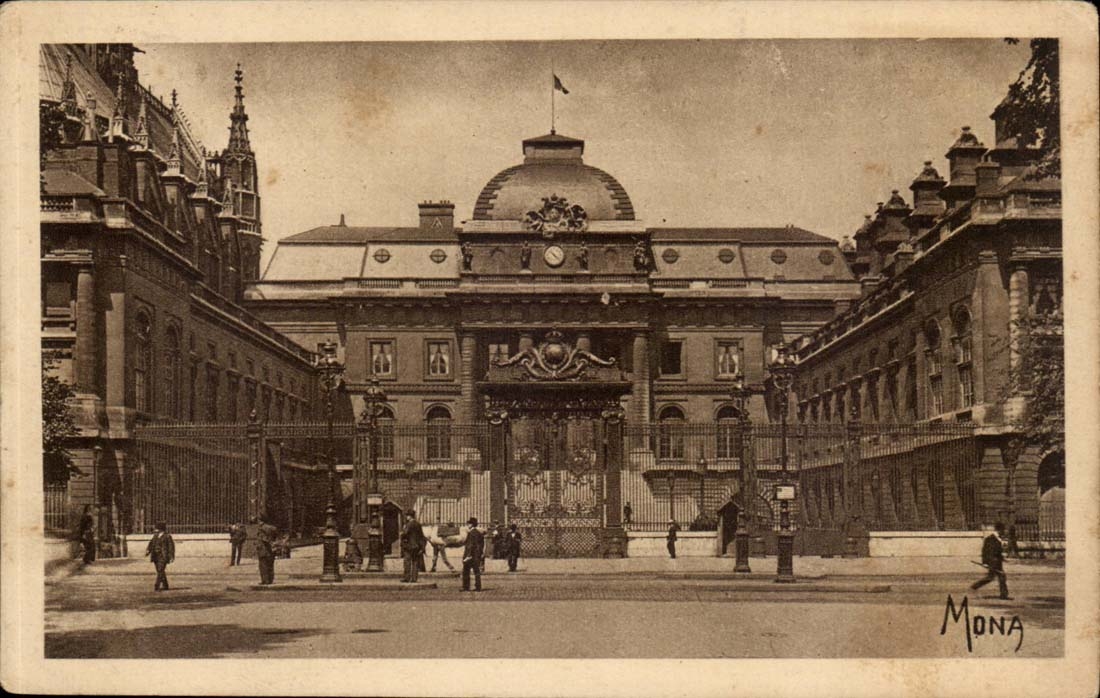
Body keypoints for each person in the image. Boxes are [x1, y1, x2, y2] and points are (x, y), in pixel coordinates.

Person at [971, 522, 1011, 599]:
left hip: (997, 562)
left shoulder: (998, 538)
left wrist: (1003, 558)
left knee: (992, 577)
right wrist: (985, 562)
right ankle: (1003, 595)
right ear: (999, 530)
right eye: (1003, 530)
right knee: (1001, 577)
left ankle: (975, 586)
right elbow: (985, 551)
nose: (1004, 532)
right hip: (993, 562)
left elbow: (997, 552)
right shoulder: (990, 539)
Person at [144, 521, 175, 592]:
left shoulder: (167, 536)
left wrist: (171, 556)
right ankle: (165, 585)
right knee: (159, 570)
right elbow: (151, 544)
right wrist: (148, 551)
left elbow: (171, 547)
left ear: (161, 529)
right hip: (155, 555)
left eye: (157, 528)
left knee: (160, 570)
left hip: (163, 556)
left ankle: (156, 586)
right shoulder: (155, 536)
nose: (155, 530)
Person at [401, 510, 426, 583]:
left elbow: (405, 534)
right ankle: (414, 578)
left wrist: (402, 533)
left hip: (409, 545)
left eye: (407, 515)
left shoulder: (408, 524)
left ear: (409, 516)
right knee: (415, 562)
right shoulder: (418, 524)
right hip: (416, 546)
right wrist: (422, 547)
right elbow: (421, 536)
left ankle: (407, 578)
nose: (406, 517)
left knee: (407, 562)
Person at [462, 517, 484, 592]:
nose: (467, 525)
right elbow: (481, 545)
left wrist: (468, 556)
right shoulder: (478, 533)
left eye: (469, 523)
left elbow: (470, 546)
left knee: (465, 571)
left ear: (471, 524)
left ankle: (466, 587)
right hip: (476, 556)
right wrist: (480, 554)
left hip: (471, 556)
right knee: (476, 571)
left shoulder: (471, 533)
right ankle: (478, 587)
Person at [255, 517, 277, 585]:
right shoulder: (273, 528)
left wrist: (258, 544)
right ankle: (270, 580)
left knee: (263, 566)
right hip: (271, 550)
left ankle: (265, 581)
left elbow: (264, 539)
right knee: (270, 565)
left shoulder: (262, 528)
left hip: (263, 550)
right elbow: (275, 537)